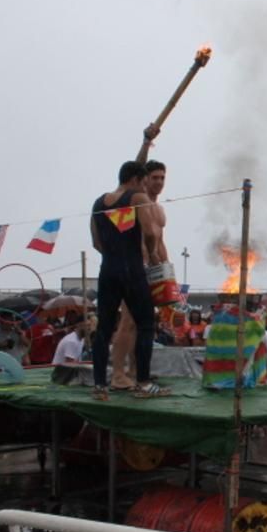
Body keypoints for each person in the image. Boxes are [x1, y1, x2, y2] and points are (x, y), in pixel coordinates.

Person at [90, 160, 167, 400]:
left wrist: (113, 256)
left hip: (108, 270)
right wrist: (152, 253)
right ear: (136, 179)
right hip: (132, 269)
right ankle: (143, 382)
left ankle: (100, 385)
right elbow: (150, 232)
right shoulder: (137, 198)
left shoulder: (99, 202)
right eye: (145, 181)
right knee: (145, 324)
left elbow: (96, 242)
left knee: (103, 328)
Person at [110, 158, 169, 388]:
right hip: (132, 265)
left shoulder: (159, 209)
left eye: (162, 178)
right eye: (154, 177)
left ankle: (136, 370)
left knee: (144, 322)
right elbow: (135, 164)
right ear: (144, 179)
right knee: (127, 320)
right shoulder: (135, 201)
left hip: (153, 268)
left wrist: (166, 269)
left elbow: (160, 241)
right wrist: (147, 142)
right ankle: (117, 373)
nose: (159, 182)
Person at [51, 315, 90, 384]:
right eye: (88, 326)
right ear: (79, 325)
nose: (89, 329)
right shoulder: (71, 341)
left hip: (69, 372)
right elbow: (69, 365)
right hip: (59, 375)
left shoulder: (81, 339)